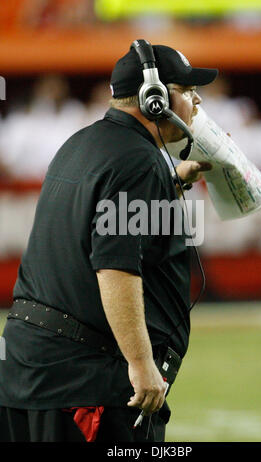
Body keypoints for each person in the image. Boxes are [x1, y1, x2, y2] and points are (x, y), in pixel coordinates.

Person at [0, 42, 217, 442]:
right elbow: (114, 264)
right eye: (186, 91)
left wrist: (168, 185)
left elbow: (98, 221)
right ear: (156, 100)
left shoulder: (80, 144)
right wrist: (140, 362)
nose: (197, 100)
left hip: (29, 376)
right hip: (86, 385)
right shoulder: (138, 161)